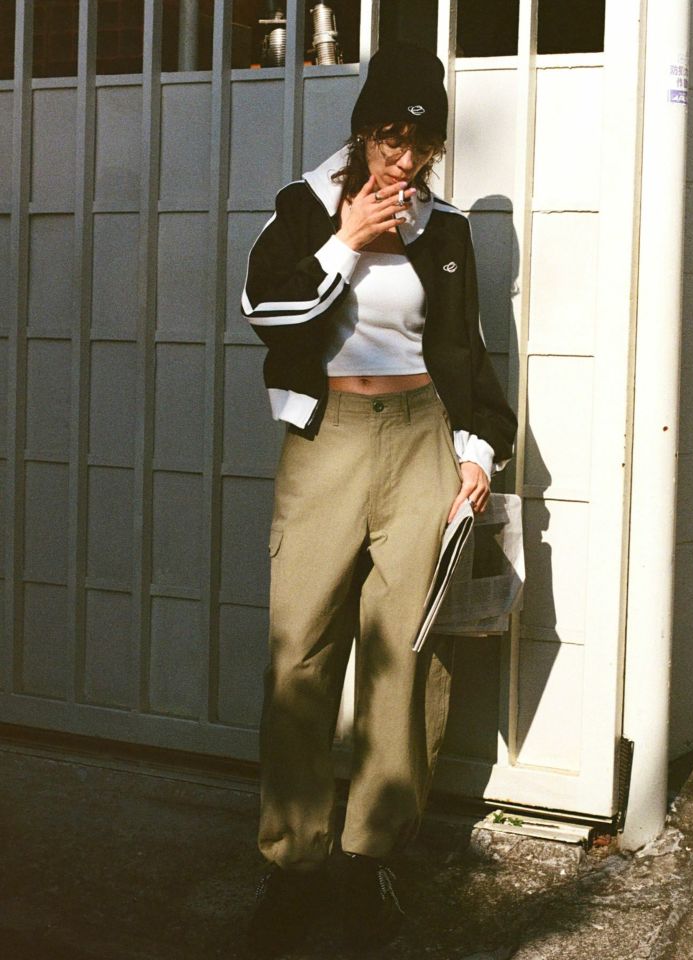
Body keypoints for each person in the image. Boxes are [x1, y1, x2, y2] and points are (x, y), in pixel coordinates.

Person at [240, 41, 517, 956]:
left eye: (421, 145)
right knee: (302, 650)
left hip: (423, 439)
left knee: (409, 657)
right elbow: (266, 313)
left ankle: (369, 861)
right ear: (363, 131)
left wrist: (477, 448)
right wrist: (347, 240)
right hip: (330, 438)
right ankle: (293, 864)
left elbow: (466, 350)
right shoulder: (304, 204)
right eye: (391, 139)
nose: (403, 160)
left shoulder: (446, 231)